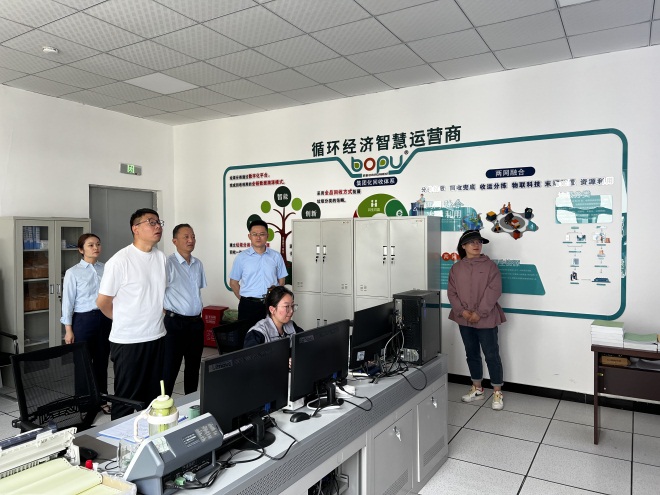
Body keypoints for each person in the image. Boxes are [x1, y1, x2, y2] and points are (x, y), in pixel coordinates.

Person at [97, 208, 167, 420]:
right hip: (129, 340)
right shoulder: (120, 261)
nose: (157, 226)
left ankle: (151, 435)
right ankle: (120, 438)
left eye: (158, 222)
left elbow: (160, 293)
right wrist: (124, 318)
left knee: (155, 398)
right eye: (151, 222)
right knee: (127, 399)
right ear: (135, 229)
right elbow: (103, 302)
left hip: (156, 336)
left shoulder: (161, 258)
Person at [447, 229, 506, 411]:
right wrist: (462, 312)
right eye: (472, 242)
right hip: (464, 319)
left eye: (479, 242)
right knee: (471, 353)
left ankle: (497, 391)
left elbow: (494, 290)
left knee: (491, 355)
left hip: (486, 318)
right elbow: (452, 292)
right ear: (463, 246)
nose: (476, 245)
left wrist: (479, 313)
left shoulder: (490, 266)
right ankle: (477, 388)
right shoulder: (456, 268)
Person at [61, 233, 112, 414]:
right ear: (81, 250)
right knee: (82, 363)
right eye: (90, 245)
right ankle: (84, 404)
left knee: (101, 361)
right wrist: (68, 329)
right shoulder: (73, 272)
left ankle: (102, 399)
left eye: (98, 244)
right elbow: (67, 302)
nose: (96, 248)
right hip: (83, 320)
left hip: (104, 319)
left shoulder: (106, 269)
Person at [162, 224, 207, 396]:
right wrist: (168, 313)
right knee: (170, 368)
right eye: (186, 237)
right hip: (175, 324)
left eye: (193, 236)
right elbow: (156, 292)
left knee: (193, 368)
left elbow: (196, 291)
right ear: (175, 241)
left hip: (196, 323)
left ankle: (191, 403)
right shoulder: (168, 264)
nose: (191, 240)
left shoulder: (197, 264)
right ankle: (164, 404)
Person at [229, 219, 288, 322]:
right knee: (247, 332)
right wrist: (245, 299)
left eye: (262, 234)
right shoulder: (241, 258)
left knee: (272, 331)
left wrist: (275, 299)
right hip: (248, 306)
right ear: (249, 236)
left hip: (271, 305)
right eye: (255, 234)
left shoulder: (276, 256)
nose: (258, 237)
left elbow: (281, 281)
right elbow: (233, 283)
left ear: (267, 236)